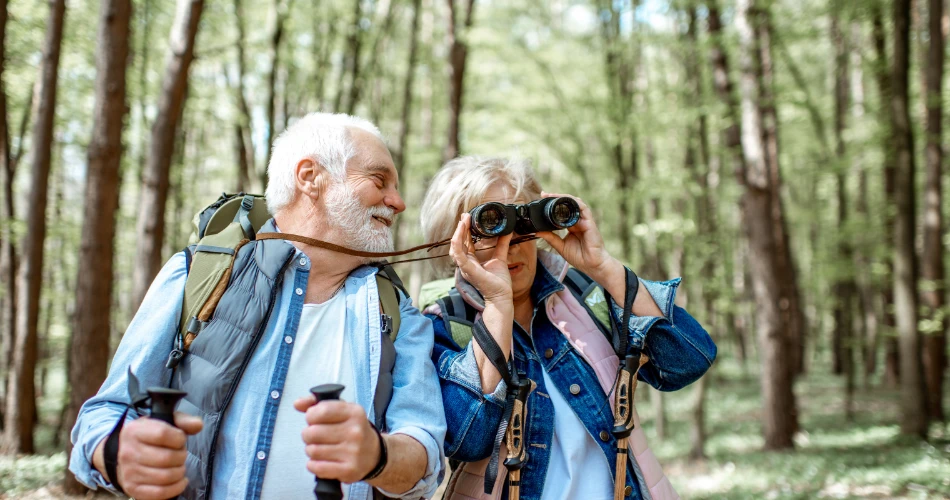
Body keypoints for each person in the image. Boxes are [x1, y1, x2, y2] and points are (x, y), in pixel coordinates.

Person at [69, 113, 446, 500]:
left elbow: (425, 455)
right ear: (309, 177)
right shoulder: (200, 272)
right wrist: (117, 454)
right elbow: (103, 416)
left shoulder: (399, 313)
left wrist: (378, 456)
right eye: (379, 181)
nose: (398, 203)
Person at [419, 156, 717, 500]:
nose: (510, 242)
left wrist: (603, 267)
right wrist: (497, 304)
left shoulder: (585, 295)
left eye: (521, 221)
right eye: (490, 224)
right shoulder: (444, 325)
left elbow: (686, 363)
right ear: (453, 243)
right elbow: (467, 438)